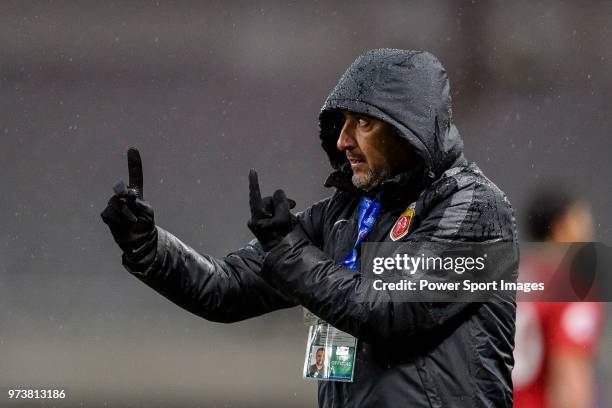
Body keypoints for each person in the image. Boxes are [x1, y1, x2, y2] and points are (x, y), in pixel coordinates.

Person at [101, 49, 518, 407]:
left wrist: (291, 253)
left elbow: (392, 308)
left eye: (364, 124)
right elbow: (226, 288)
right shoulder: (342, 214)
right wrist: (148, 248)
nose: (343, 140)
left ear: (411, 129)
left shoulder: (476, 208)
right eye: (342, 122)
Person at [513, 186, 604, 408]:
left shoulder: (514, 276)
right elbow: (569, 377)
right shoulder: (573, 286)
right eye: (579, 217)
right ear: (561, 226)